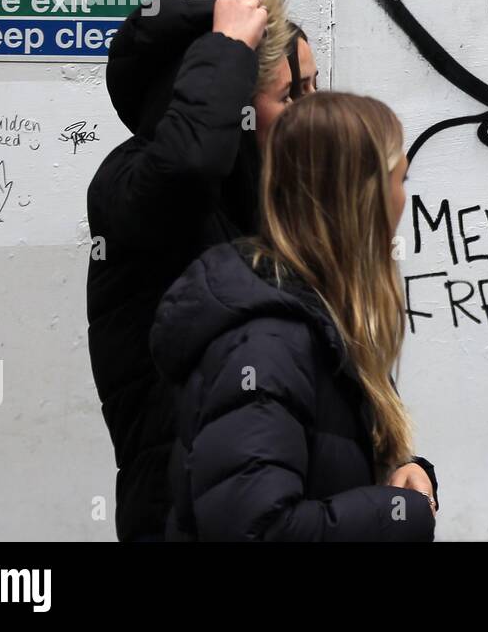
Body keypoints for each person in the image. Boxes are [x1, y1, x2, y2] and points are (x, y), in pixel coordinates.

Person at [86, 0, 317, 541]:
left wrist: (398, 464)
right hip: (177, 517)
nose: (314, 111)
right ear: (231, 97)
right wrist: (227, 45)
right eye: (292, 95)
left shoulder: (279, 212)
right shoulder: (132, 183)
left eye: (315, 87)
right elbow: (188, 167)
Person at [150, 92, 439, 541]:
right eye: (399, 179)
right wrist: (399, 513)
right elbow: (256, 530)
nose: (405, 199)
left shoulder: (318, 317)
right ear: (362, 200)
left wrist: (400, 469)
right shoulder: (268, 344)